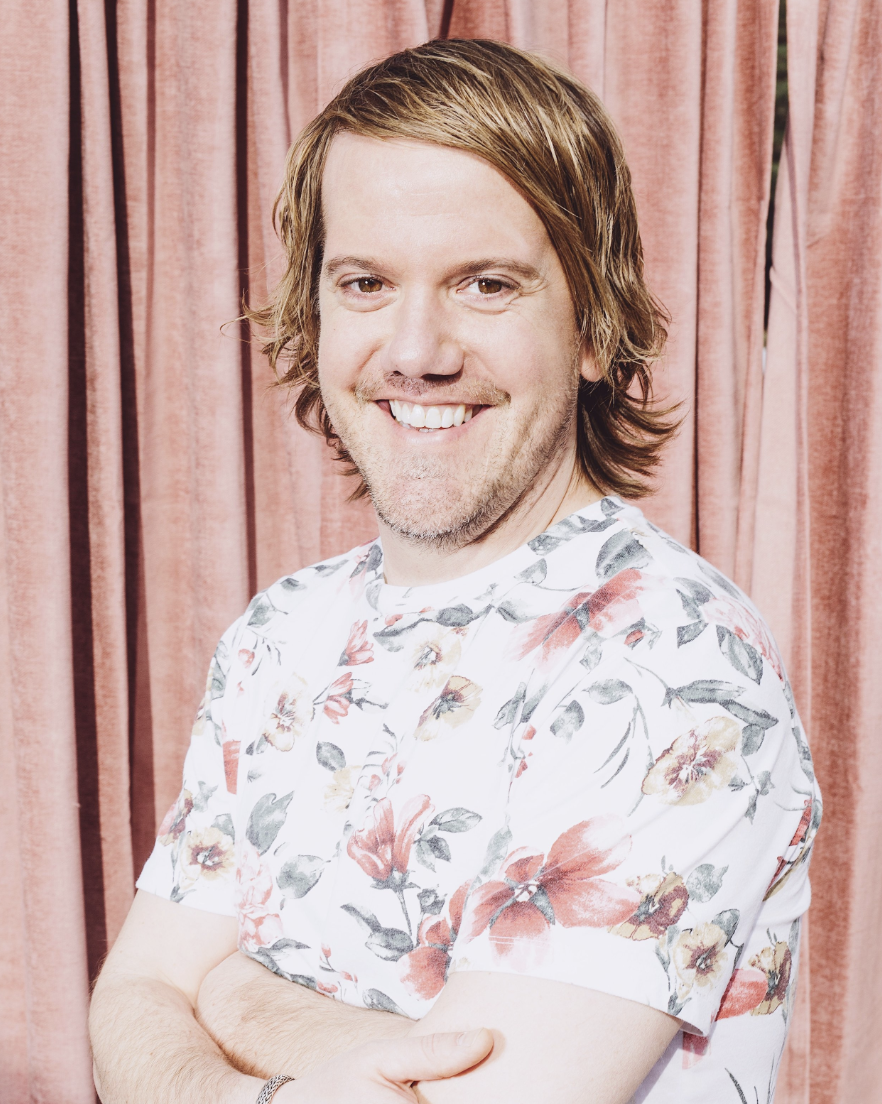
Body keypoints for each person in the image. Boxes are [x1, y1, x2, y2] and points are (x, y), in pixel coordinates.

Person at [89, 38, 822, 1104]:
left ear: (592, 326)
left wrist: (235, 997)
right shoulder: (277, 634)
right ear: (316, 311)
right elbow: (130, 1002)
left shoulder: (674, 656)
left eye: (486, 284)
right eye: (366, 282)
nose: (417, 348)